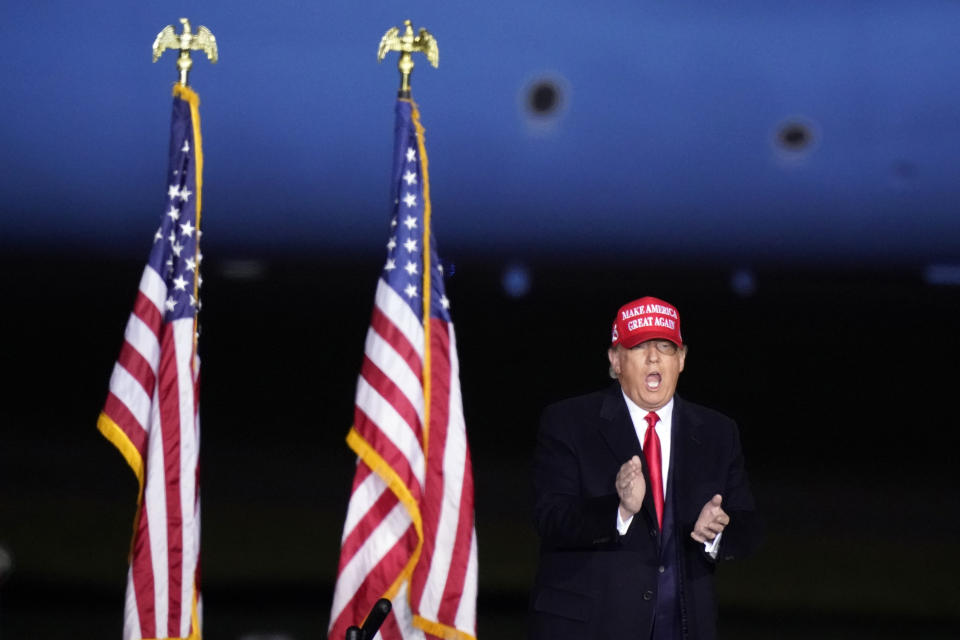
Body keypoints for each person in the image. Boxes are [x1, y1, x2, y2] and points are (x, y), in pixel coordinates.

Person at [529, 296, 762, 640]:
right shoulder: (568, 422)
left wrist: (718, 531)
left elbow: (748, 526)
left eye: (665, 347)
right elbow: (550, 518)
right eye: (640, 346)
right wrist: (619, 509)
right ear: (615, 360)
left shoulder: (717, 432)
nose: (654, 357)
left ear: (681, 359)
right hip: (591, 628)